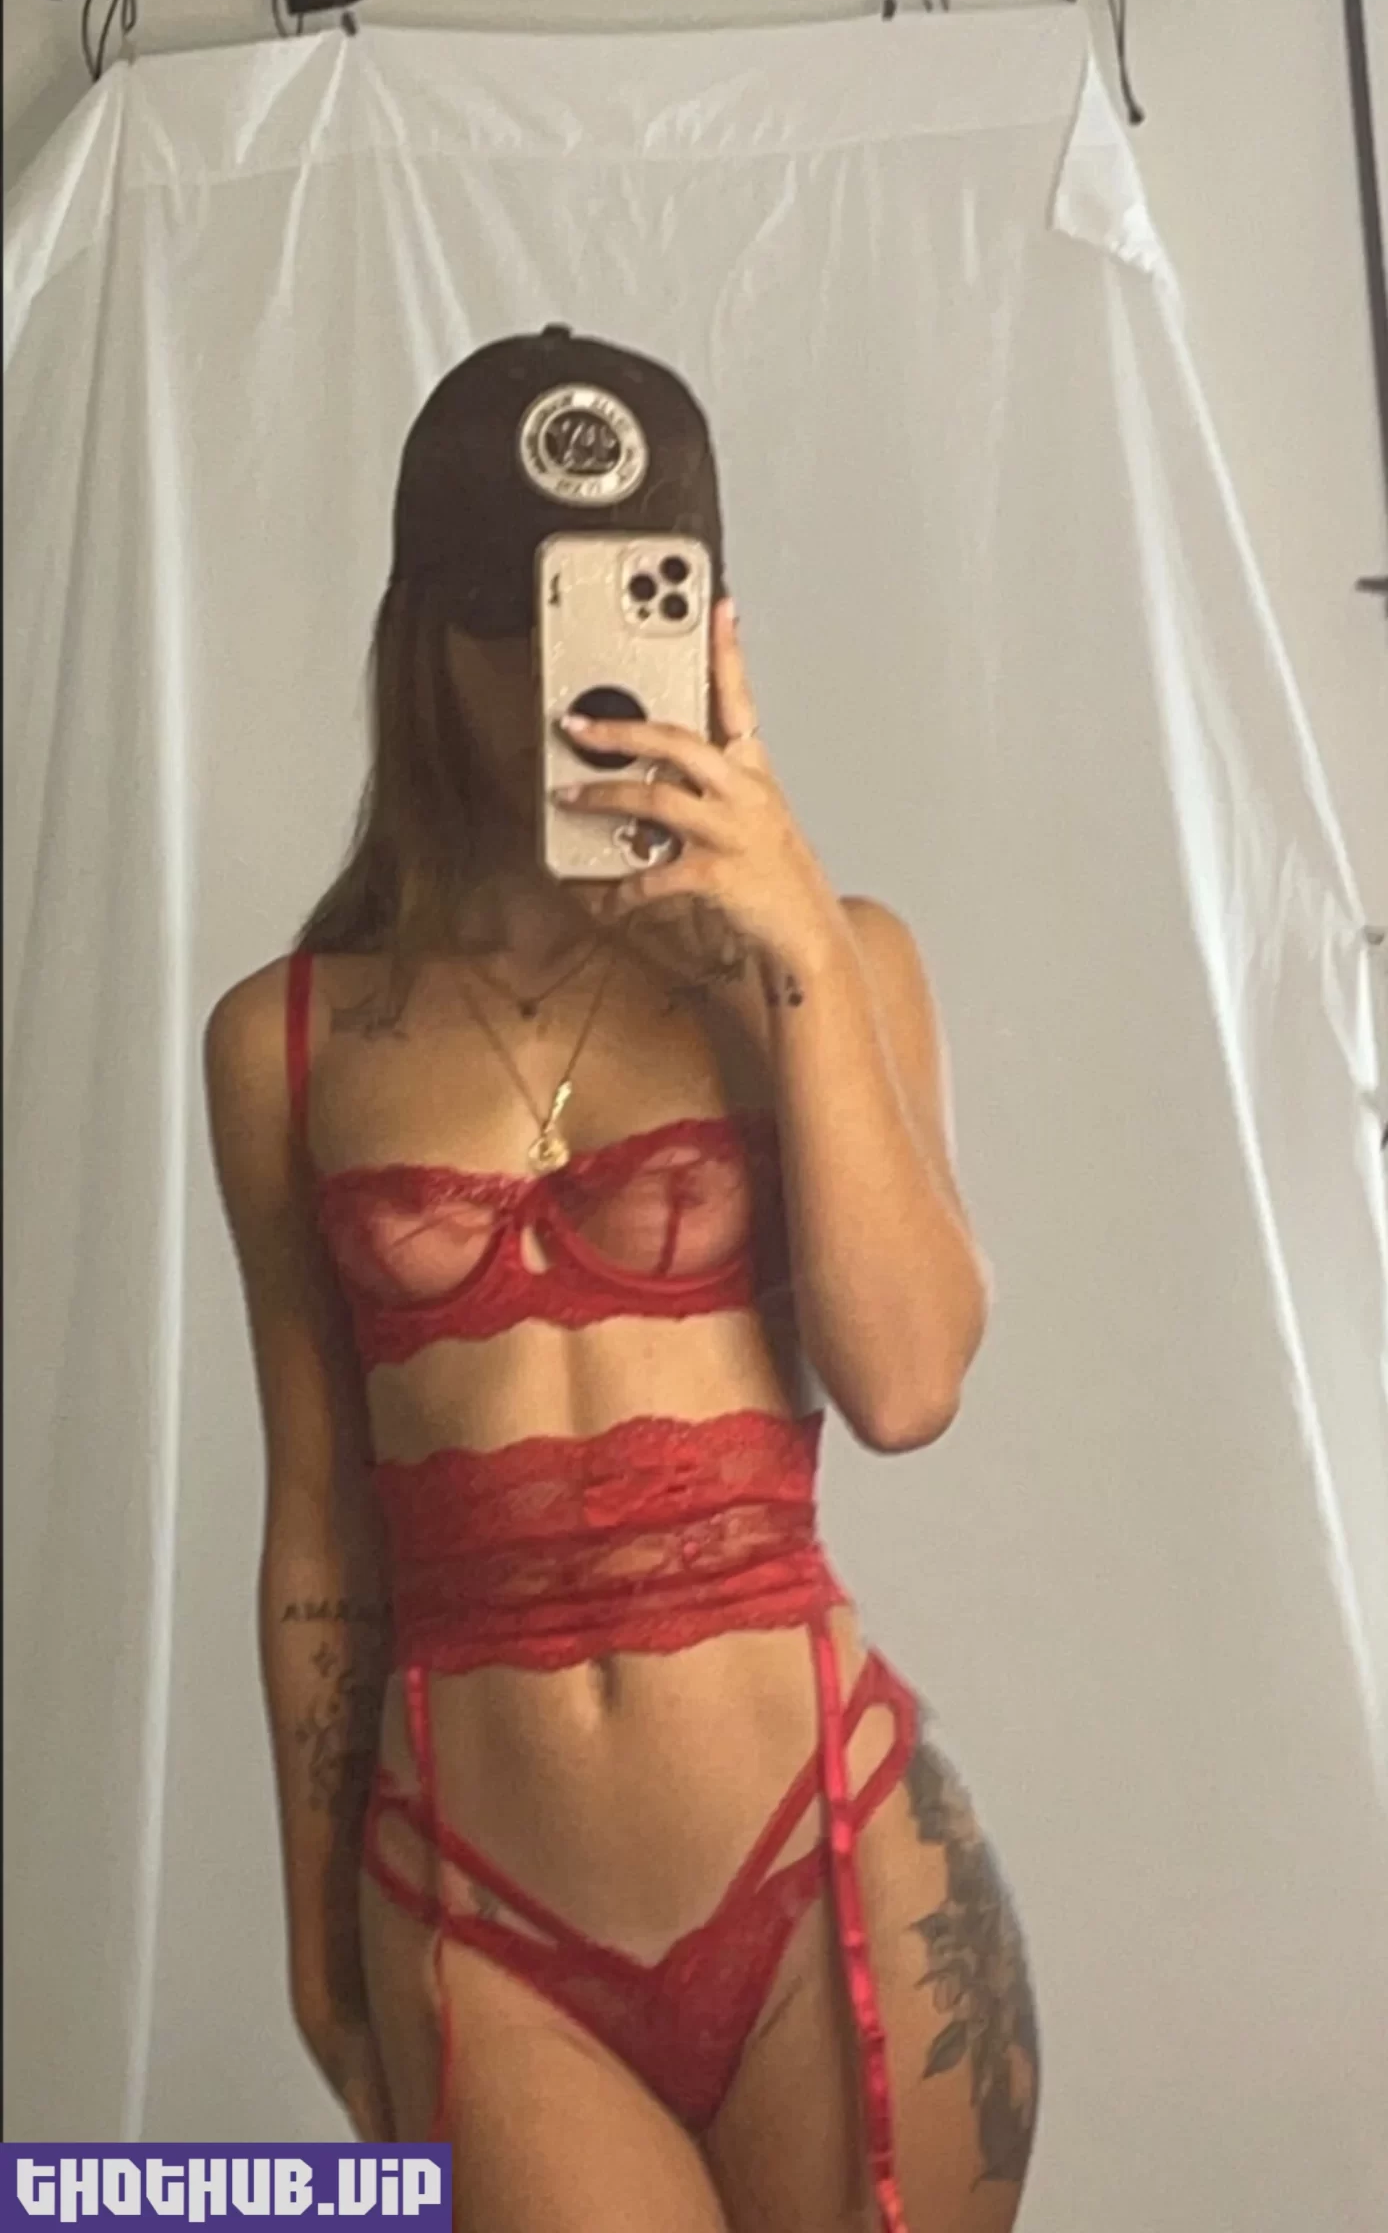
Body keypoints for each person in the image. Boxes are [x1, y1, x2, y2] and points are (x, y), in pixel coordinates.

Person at [203, 325, 1041, 2232]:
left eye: (615, 606)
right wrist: (315, 1927)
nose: (559, 675)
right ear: (421, 637)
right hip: (480, 1916)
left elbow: (909, 1384)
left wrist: (789, 937)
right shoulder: (288, 1041)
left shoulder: (840, 960)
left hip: (829, 1861)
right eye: (509, 617)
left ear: (708, 627)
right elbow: (321, 1519)